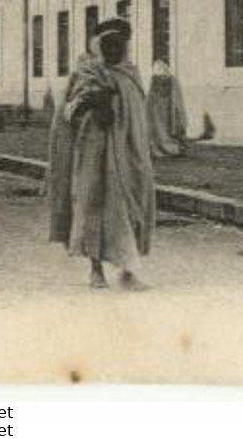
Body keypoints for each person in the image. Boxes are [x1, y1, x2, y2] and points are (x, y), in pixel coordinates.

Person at [46, 17, 156, 290]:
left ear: (126, 46)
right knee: (93, 206)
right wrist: (92, 102)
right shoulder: (87, 73)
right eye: (107, 45)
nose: (113, 51)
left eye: (118, 45)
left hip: (129, 154)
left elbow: (139, 116)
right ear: (98, 46)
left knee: (132, 206)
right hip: (94, 153)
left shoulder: (131, 74)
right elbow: (67, 114)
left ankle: (127, 272)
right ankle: (95, 270)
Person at [145, 58, 189, 158]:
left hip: (160, 107)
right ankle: (171, 147)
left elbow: (150, 96)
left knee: (160, 129)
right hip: (163, 107)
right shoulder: (171, 79)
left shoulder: (156, 79)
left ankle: (165, 147)